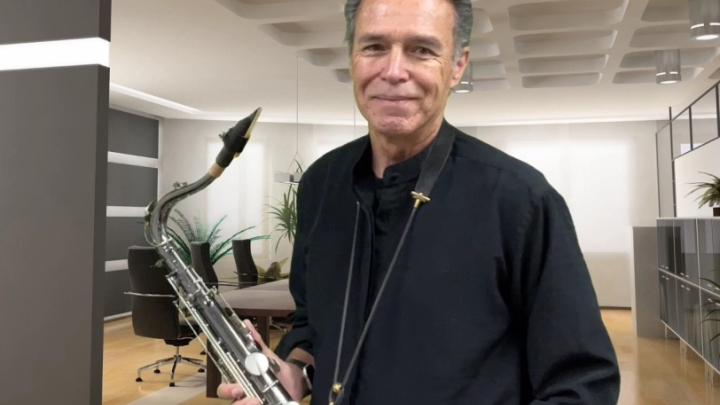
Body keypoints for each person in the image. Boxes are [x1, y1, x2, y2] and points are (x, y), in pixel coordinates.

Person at [219, 0, 621, 403]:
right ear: (352, 57)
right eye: (374, 47)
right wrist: (296, 372)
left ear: (457, 66)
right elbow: (312, 323)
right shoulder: (320, 184)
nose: (393, 71)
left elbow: (582, 383)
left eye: (421, 49)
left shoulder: (521, 199)